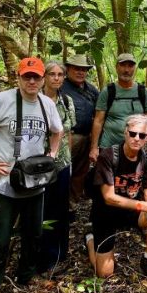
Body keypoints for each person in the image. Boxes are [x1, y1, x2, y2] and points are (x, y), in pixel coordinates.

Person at [0, 57, 62, 293]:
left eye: (36, 77)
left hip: (35, 183)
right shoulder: (1, 101)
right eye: (27, 76)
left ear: (43, 80)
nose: (32, 81)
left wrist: (52, 154)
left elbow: (57, 131)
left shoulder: (47, 104)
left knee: (33, 235)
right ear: (18, 77)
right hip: (4, 182)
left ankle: (26, 277)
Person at [85, 114, 147, 277]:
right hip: (105, 212)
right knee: (104, 273)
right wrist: (146, 206)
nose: (136, 138)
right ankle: (90, 239)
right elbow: (109, 197)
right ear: (125, 133)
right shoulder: (109, 156)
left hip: (132, 210)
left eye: (142, 135)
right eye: (133, 133)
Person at [37, 60, 77, 274]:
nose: (56, 78)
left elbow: (68, 134)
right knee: (42, 210)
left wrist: (68, 163)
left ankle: (60, 255)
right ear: (44, 77)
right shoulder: (35, 100)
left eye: (60, 74)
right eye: (51, 74)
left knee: (61, 209)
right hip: (38, 166)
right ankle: (42, 258)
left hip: (61, 164)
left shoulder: (67, 101)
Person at [89, 53, 147, 163]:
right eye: (123, 65)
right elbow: (98, 120)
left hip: (136, 147)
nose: (126, 70)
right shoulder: (108, 91)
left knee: (132, 178)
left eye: (130, 66)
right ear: (117, 67)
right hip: (109, 146)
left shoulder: (142, 92)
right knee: (107, 179)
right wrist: (94, 148)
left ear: (134, 68)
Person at [61, 54, 99, 206]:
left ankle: (72, 205)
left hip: (86, 137)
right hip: (66, 137)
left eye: (84, 69)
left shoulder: (91, 89)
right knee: (62, 171)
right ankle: (58, 205)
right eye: (77, 68)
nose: (80, 72)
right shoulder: (61, 87)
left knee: (80, 173)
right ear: (68, 69)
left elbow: (99, 113)